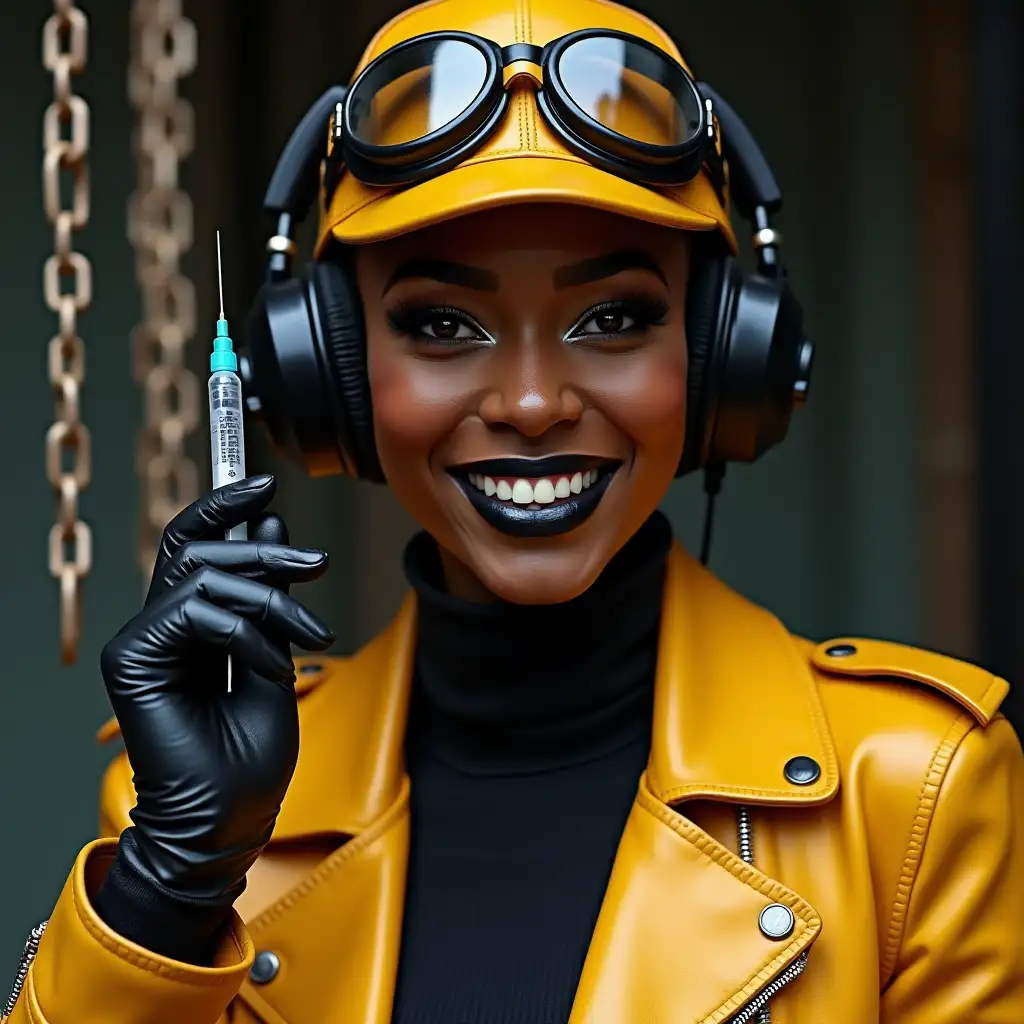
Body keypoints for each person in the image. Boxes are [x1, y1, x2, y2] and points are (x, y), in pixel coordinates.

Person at [7, 0, 1023, 1021]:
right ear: (334, 372)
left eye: (614, 317)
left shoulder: (913, 789)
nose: (531, 403)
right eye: (443, 324)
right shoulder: (213, 810)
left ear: (721, 357)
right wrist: (172, 883)